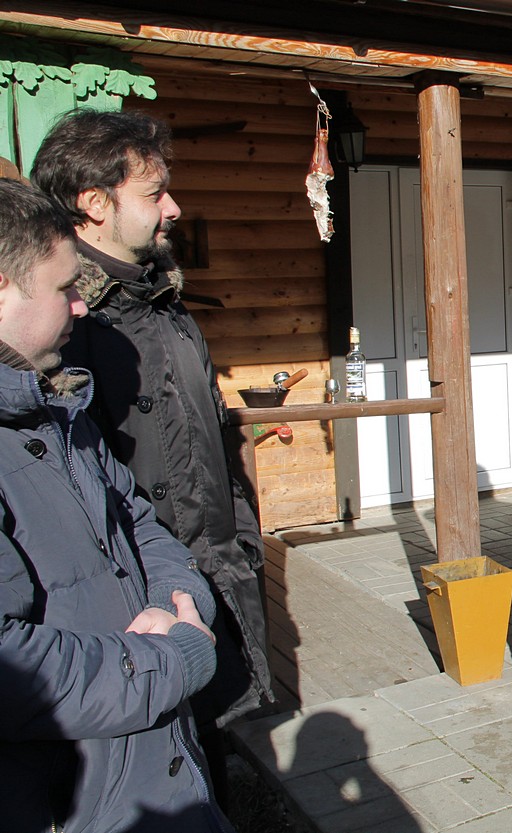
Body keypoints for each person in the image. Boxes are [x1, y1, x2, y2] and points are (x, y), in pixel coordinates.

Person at [30, 109, 272, 801]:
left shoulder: (165, 303)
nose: (173, 208)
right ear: (94, 202)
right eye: (154, 193)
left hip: (209, 578)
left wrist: (241, 538)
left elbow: (215, 437)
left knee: (211, 763)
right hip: (136, 621)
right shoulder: (62, 324)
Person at [0, 178, 232, 832]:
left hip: (155, 778)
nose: (81, 308)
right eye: (64, 289)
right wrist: (174, 658)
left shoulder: (58, 411)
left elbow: (141, 526)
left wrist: (176, 603)